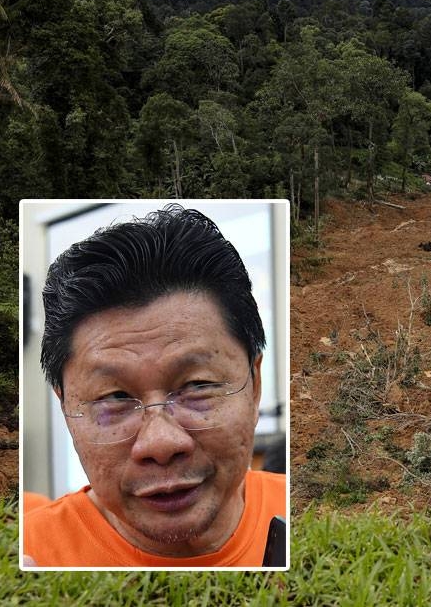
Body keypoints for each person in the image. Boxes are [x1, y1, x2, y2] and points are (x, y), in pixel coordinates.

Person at [22, 205, 286, 567]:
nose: (161, 444)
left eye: (196, 385)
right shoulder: (28, 555)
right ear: (66, 410)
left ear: (254, 386)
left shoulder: (316, 519)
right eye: (114, 397)